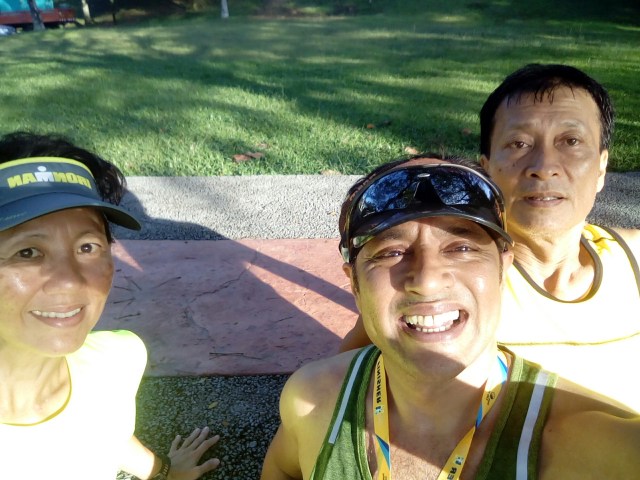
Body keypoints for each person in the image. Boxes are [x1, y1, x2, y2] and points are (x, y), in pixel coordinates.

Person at [261, 156, 640, 480]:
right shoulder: (311, 400)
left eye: (461, 247)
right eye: (392, 252)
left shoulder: (602, 446)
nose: (426, 280)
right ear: (355, 284)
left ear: (502, 269)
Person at [341, 64, 640, 413]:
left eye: (571, 141)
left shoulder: (632, 256)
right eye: (519, 143)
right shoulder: (454, 285)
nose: (544, 166)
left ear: (601, 167)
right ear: (487, 169)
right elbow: (341, 390)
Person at [0, 132, 220, 480]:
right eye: (27, 252)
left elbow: (106, 433)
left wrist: (164, 472)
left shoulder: (117, 359)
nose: (70, 281)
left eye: (87, 247)